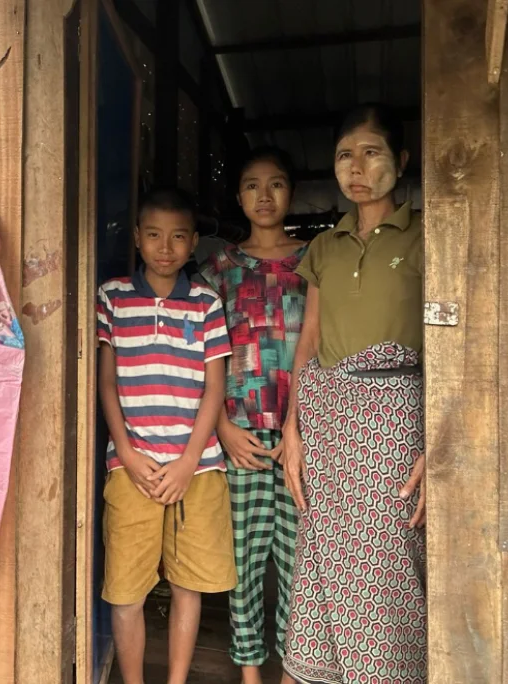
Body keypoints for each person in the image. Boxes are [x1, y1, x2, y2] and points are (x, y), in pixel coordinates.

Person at [280, 104, 426, 683]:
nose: (357, 167)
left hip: (396, 424)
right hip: (327, 422)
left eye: (372, 152)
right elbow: (309, 338)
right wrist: (292, 429)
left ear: (402, 161)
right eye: (346, 155)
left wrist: (437, 449)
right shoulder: (325, 247)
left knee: (390, 560)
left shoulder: (425, 236)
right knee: (319, 559)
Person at [97, 188, 237, 684]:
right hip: (131, 468)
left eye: (178, 237)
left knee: (188, 586)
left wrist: (185, 463)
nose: (164, 246)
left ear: (194, 242)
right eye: (153, 234)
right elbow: (107, 383)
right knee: (126, 591)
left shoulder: (206, 303)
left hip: (196, 471)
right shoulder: (113, 298)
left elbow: (214, 389)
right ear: (137, 238)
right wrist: (129, 456)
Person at [199, 147, 305, 684]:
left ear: (293, 191)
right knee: (241, 567)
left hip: (301, 441)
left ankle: (292, 667)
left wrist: (304, 432)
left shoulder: (316, 262)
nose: (264, 196)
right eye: (251, 185)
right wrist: (221, 427)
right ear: (238, 196)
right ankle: (249, 671)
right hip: (237, 436)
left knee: (297, 565)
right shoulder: (217, 271)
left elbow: (327, 349)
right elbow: (202, 359)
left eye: (277, 184)